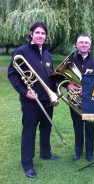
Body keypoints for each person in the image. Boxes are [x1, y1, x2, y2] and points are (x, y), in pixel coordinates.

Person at [8, 22, 61, 179]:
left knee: (46, 128)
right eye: (37, 32)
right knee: (29, 131)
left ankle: (45, 153)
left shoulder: (47, 54)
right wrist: (25, 92)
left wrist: (54, 95)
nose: (40, 36)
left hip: (47, 99)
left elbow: (50, 77)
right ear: (31, 34)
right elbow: (12, 75)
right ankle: (27, 163)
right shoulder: (21, 52)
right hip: (30, 101)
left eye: (43, 33)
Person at [67, 34, 94, 162]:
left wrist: (87, 88)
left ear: (89, 46)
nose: (83, 45)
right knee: (77, 128)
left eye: (86, 43)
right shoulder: (70, 60)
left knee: (90, 128)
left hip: (90, 101)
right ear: (77, 44)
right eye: (81, 42)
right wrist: (68, 85)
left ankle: (89, 153)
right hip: (75, 100)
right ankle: (78, 152)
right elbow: (60, 78)